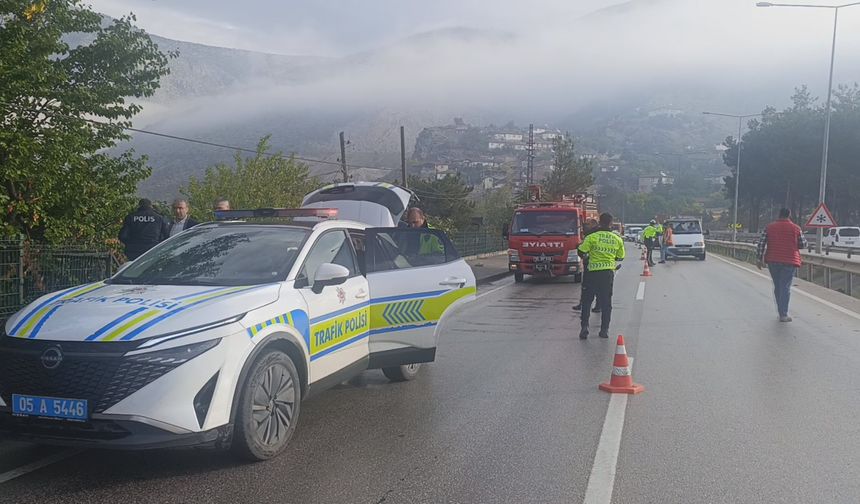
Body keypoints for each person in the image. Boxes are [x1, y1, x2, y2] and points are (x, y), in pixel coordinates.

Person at [578, 212, 625, 339]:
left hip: (592, 273)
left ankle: (584, 327)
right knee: (606, 303)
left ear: (599, 221)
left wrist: (588, 256)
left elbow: (581, 251)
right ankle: (604, 330)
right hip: (607, 274)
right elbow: (620, 257)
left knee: (587, 301)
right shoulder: (617, 239)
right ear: (611, 223)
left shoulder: (592, 237)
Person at [757, 208, 807, 322]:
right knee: (785, 286)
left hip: (773, 260)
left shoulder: (769, 227)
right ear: (789, 215)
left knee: (778, 286)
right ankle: (783, 314)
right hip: (790, 261)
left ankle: (781, 311)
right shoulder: (796, 228)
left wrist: (759, 259)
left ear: (778, 215)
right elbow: (803, 244)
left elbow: (761, 243)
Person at [572, 218, 601, 312]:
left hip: (591, 264)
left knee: (588, 286)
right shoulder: (595, 233)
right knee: (596, 286)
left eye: (587, 224)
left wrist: (579, 248)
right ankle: (595, 305)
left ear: (593, 224)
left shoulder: (591, 234)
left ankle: (587, 304)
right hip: (596, 264)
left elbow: (584, 248)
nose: (585, 226)